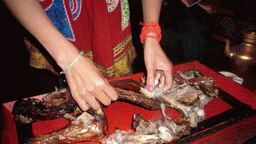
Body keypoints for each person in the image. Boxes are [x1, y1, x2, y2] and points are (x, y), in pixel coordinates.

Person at [3, 0, 174, 111]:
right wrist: (68, 58)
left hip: (108, 16)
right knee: (70, 90)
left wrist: (151, 32)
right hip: (57, 18)